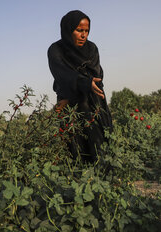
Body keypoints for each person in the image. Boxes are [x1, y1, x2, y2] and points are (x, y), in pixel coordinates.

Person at [47, 10, 113, 162]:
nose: (84, 35)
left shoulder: (92, 49)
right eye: (79, 30)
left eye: (86, 31)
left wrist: (84, 84)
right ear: (68, 30)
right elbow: (62, 74)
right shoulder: (56, 50)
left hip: (93, 102)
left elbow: (96, 76)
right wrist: (82, 83)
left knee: (99, 141)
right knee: (75, 144)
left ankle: (103, 177)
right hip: (69, 106)